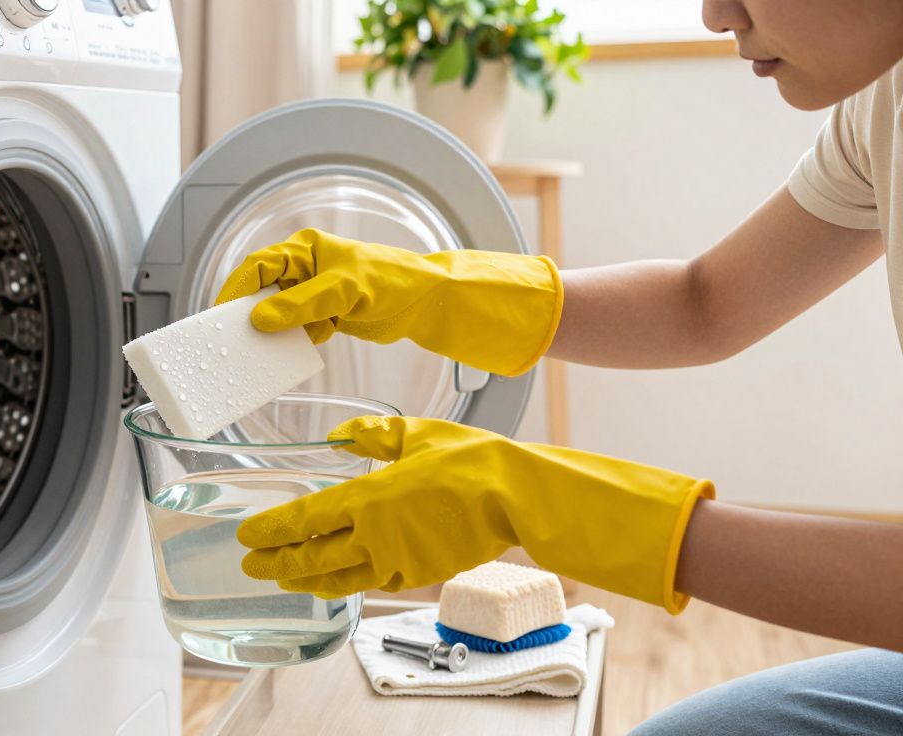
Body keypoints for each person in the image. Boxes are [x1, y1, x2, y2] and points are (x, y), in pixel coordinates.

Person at [214, 1, 903, 732]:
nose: (714, 15)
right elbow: (705, 302)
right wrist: (432, 290)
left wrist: (544, 506)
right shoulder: (879, 98)